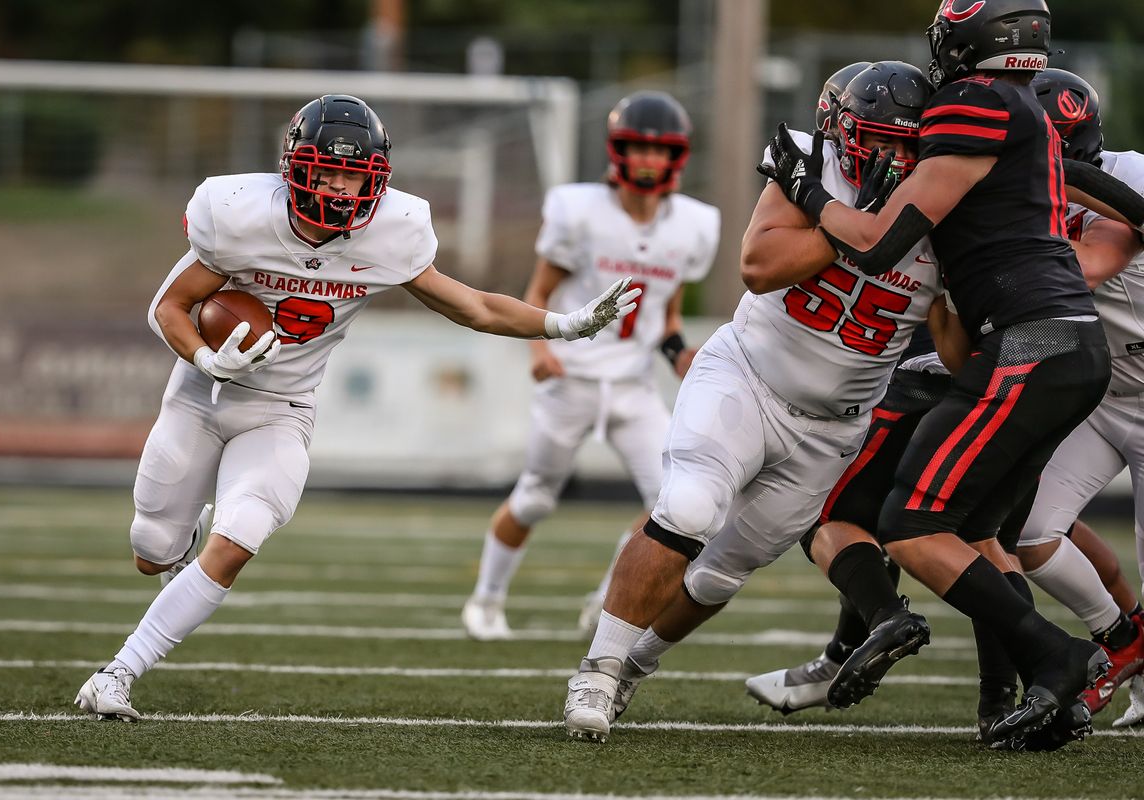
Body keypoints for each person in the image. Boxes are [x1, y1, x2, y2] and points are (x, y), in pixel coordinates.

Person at [73, 94, 641, 721]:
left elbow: (473, 305)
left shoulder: (391, 233)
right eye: (328, 172)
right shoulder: (238, 215)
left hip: (281, 409)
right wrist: (208, 359)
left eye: (355, 176)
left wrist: (566, 322)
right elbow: (169, 307)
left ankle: (118, 673)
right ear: (295, 168)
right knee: (151, 550)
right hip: (200, 397)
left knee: (241, 538)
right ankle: (180, 541)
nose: (341, 190)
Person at [748, 68, 1144, 746]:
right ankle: (1082, 657)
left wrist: (805, 189)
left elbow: (1079, 269)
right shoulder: (980, 198)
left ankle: (1069, 658)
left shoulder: (1089, 177)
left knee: (915, 520)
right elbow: (970, 341)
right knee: (1013, 534)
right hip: (1082, 370)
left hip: (1059, 346)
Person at [562, 60, 943, 743]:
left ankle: (633, 669)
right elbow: (760, 267)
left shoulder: (947, 210)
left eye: (902, 143)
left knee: (720, 576)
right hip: (747, 377)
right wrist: (857, 227)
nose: (887, 155)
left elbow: (955, 338)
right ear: (839, 129)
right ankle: (598, 666)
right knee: (686, 508)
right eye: (874, 138)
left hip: (832, 431)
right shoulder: (812, 164)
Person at [460, 92, 719, 641]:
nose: (648, 161)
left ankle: (608, 597)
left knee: (672, 504)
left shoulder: (693, 225)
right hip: (571, 379)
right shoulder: (578, 211)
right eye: (638, 148)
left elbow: (665, 314)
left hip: (631, 385)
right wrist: (539, 349)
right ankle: (485, 599)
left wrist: (680, 354)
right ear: (617, 150)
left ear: (677, 156)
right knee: (534, 496)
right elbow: (539, 290)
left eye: (659, 150)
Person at [1016, 68, 1144, 716]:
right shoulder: (1018, 200)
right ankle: (1121, 638)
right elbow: (1051, 325)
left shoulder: (1135, 177)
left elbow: (1086, 269)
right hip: (1105, 395)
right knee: (1031, 534)